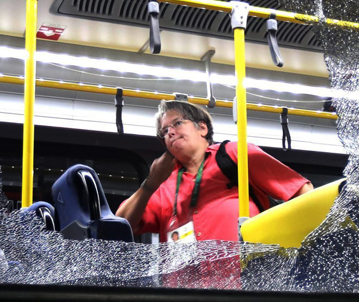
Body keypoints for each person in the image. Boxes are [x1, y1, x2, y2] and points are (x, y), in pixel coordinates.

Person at [117, 100, 312, 243]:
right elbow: (120, 225)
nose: (170, 132)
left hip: (247, 285)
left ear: (202, 128)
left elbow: (301, 192)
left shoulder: (234, 154)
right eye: (164, 131)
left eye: (177, 123)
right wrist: (150, 184)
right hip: (184, 293)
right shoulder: (163, 184)